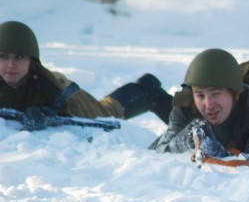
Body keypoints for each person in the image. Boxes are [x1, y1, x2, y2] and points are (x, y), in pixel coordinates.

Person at [0, 20, 172, 125]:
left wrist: (47, 113)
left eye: (19, 57)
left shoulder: (49, 86)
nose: (10, 65)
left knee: (108, 113)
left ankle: (148, 91)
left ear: (32, 61)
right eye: (4, 57)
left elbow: (66, 117)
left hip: (70, 98)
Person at [151, 48, 249, 166]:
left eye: (216, 94)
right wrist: (187, 139)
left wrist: (218, 154)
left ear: (235, 95)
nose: (208, 104)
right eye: (200, 95)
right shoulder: (186, 105)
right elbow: (159, 152)